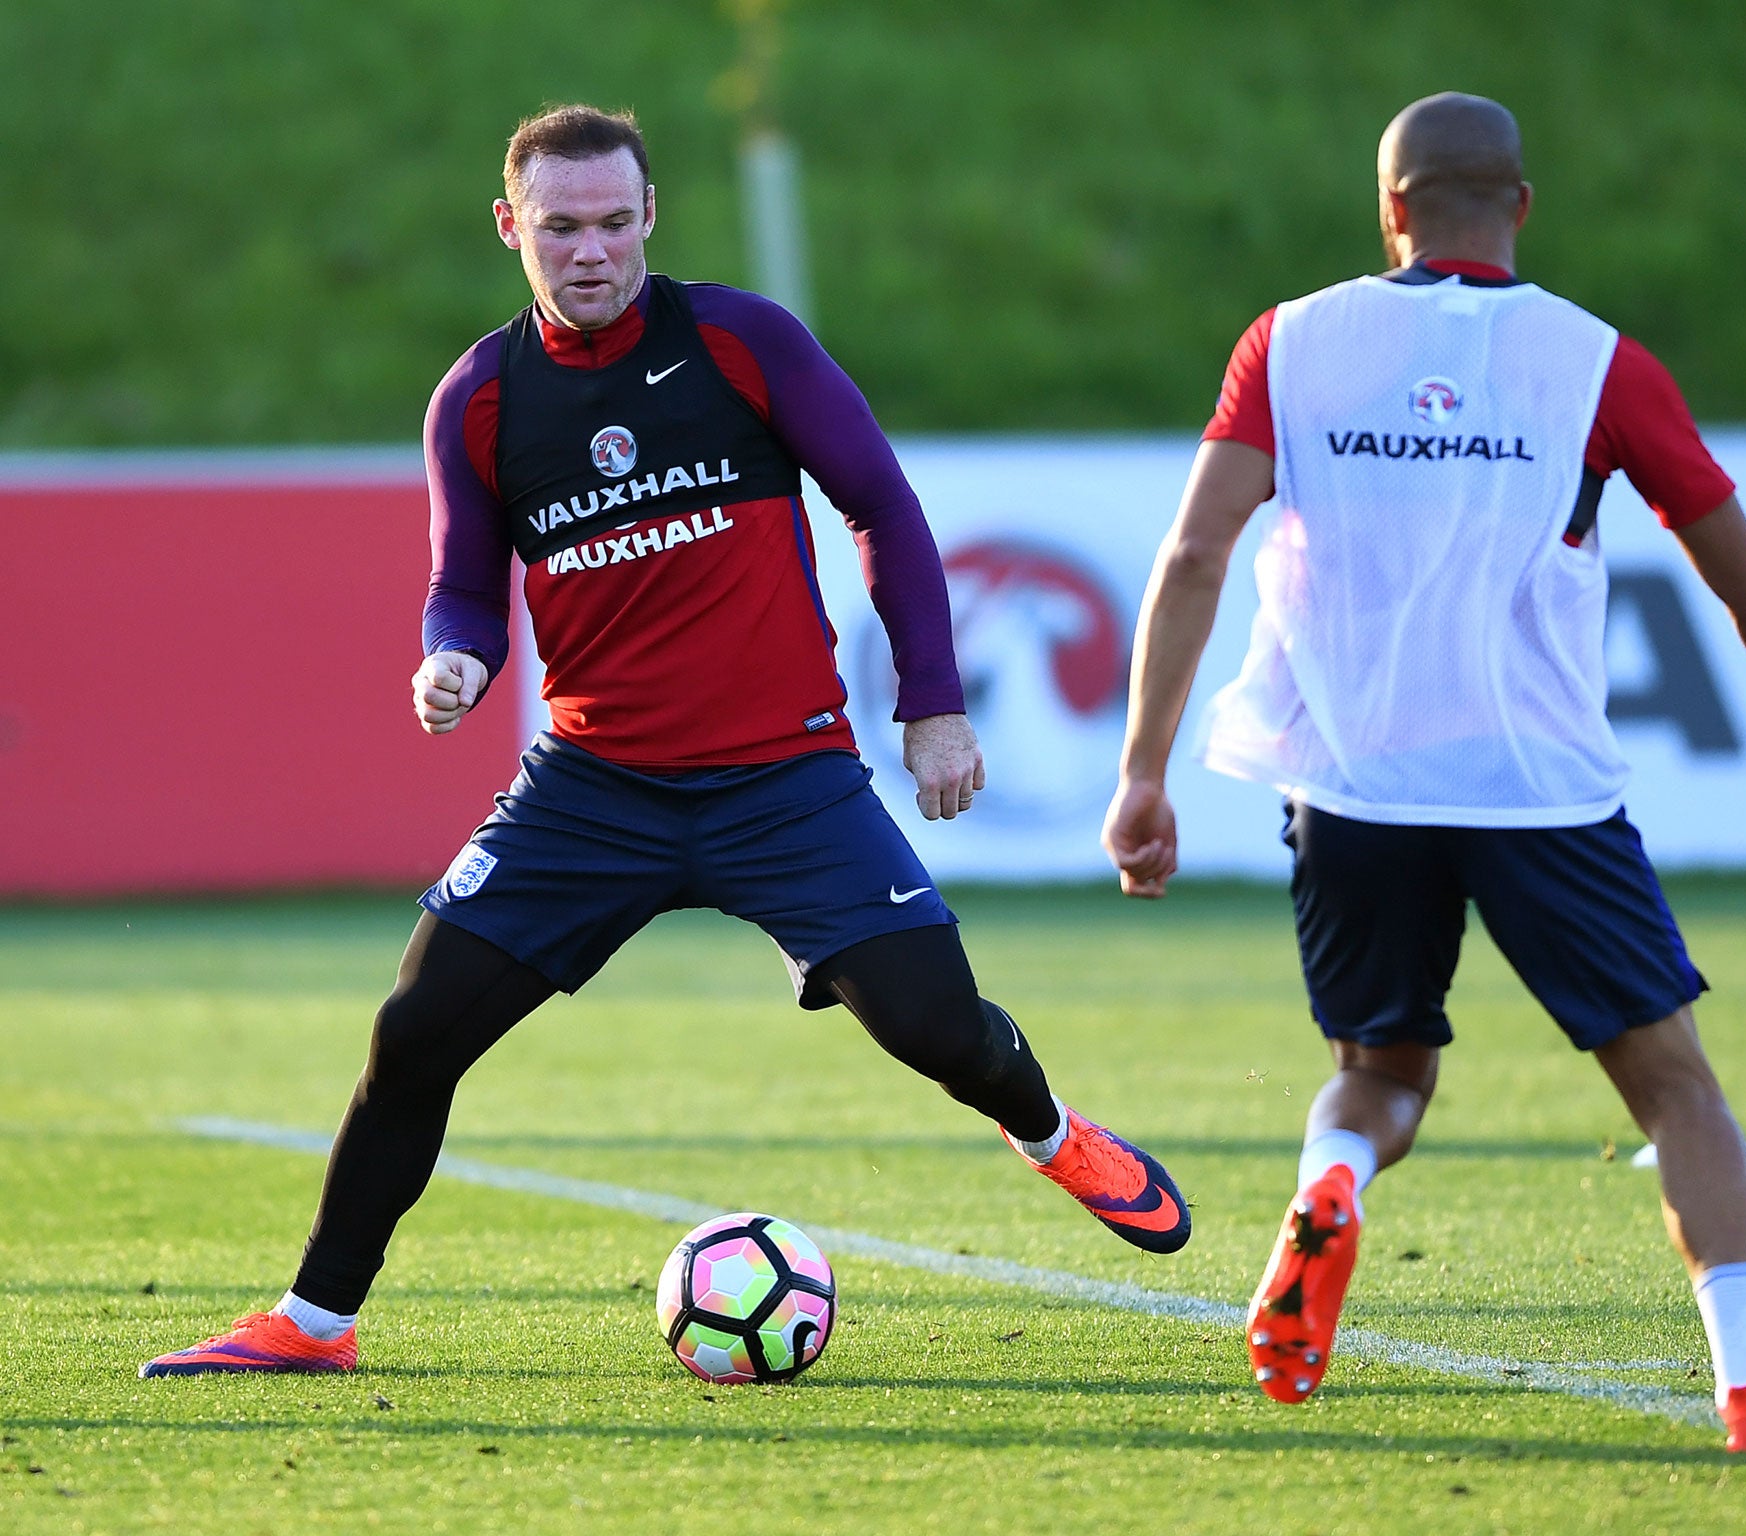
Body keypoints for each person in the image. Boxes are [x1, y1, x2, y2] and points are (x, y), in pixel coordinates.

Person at [142, 105, 1188, 1379]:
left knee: (934, 1028)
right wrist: (454, 655)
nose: (589, 251)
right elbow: (465, 579)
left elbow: (883, 510)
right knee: (414, 1034)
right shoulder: (477, 399)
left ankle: (1051, 1134)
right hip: (590, 791)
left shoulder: (744, 344)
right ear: (509, 226)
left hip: (784, 778)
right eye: (560, 226)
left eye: (612, 222)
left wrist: (932, 701)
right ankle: (313, 1322)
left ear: (651, 216)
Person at [1102, 93, 1746, 1454]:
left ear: (1390, 205)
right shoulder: (1596, 364)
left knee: (1381, 1075)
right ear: (1520, 204)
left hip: (1351, 787)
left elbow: (1193, 555)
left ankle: (1334, 1179)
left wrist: (1145, 772)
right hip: (1540, 794)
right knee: (1676, 1092)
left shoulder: (1290, 342)